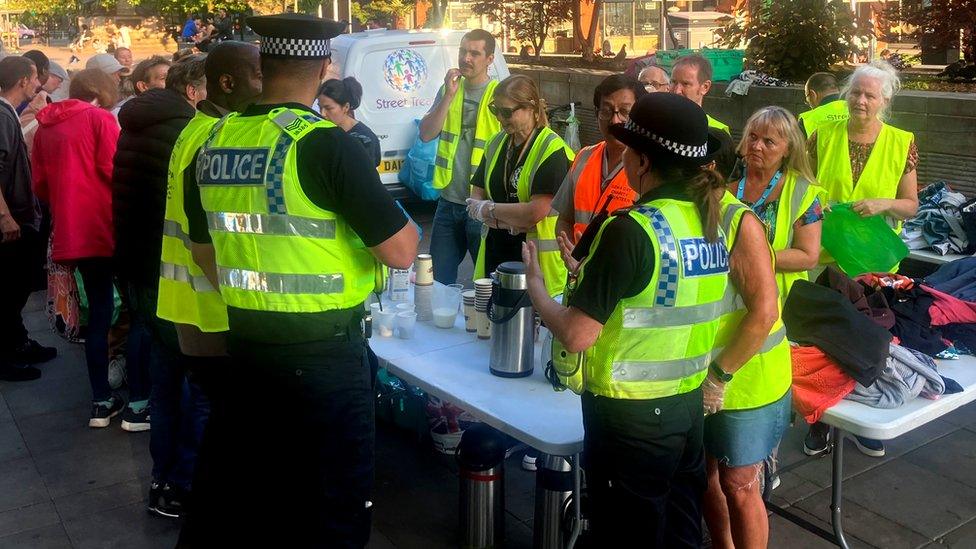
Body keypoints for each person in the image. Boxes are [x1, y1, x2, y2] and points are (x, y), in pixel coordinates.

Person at [178, 15, 418, 546]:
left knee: (260, 500)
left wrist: (255, 294)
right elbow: (401, 252)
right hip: (324, 361)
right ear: (323, 67)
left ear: (263, 67)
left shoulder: (213, 141)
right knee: (332, 509)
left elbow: (202, 251)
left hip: (244, 350)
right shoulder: (322, 144)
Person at [525, 92, 729, 547]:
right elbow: (664, 298)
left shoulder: (631, 229)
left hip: (630, 418)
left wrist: (538, 290)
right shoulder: (711, 223)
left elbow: (578, 335)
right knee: (678, 530)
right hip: (686, 408)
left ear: (640, 161)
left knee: (625, 536)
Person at [155, 41, 261, 520]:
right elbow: (210, 240)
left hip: (185, 298)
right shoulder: (213, 137)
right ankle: (182, 489)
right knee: (207, 405)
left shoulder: (195, 128)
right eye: (258, 76)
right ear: (227, 83)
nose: (265, 86)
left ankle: (175, 483)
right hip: (207, 303)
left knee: (191, 398)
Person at [702, 107, 813, 549]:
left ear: (788, 148)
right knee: (707, 472)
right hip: (719, 338)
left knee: (740, 479)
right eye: (752, 138)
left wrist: (751, 257)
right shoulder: (726, 192)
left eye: (769, 141)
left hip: (764, 334)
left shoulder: (802, 193)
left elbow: (808, 255)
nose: (757, 147)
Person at [805, 60, 919, 459]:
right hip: (825, 256)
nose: (861, 100)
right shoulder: (822, 135)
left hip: (874, 262)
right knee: (819, 341)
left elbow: (911, 205)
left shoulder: (902, 142)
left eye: (870, 94)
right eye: (855, 92)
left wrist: (884, 202)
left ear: (884, 100)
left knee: (871, 340)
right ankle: (819, 419)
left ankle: (866, 419)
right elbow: (800, 187)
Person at [31, 69, 121, 426]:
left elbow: (40, 184)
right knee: (118, 310)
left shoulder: (45, 127)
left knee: (94, 315)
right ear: (103, 90)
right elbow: (115, 171)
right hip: (102, 227)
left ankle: (100, 396)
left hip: (68, 232)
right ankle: (120, 395)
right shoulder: (100, 120)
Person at [466, 74, 573, 295]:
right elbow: (475, 196)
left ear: (531, 108)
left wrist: (490, 210)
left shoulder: (551, 149)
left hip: (536, 265)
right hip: (495, 257)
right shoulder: (496, 143)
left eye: (506, 112)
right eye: (495, 110)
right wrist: (506, 219)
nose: (499, 118)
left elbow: (535, 212)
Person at [419, 29, 501, 285]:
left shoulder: (499, 94)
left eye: (475, 53)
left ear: (489, 59)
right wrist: (449, 96)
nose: (466, 58)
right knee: (438, 283)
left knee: (487, 283)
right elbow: (426, 134)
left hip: (482, 204)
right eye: (463, 51)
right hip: (449, 202)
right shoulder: (449, 89)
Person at [0, 56, 52, 382]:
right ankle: (6, 355)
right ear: (22, 81)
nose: (38, 84)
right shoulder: (3, 115)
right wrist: (5, 217)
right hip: (12, 221)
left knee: (14, 288)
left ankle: (18, 342)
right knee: (9, 290)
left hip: (19, 216)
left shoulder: (8, 113)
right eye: (34, 78)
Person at [553, 74, 643, 244]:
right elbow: (564, 220)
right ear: (597, 114)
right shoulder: (583, 157)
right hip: (577, 267)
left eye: (624, 112)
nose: (615, 120)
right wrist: (571, 252)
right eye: (606, 111)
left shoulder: (649, 167)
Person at [317, 77, 380, 167]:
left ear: (346, 107)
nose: (322, 113)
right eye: (320, 107)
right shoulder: (322, 130)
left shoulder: (365, 139)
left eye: (328, 108)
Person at [670, 54, 730, 135]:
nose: (677, 91)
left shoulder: (718, 132)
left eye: (685, 84)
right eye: (673, 82)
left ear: (705, 87)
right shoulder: (657, 123)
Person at [799, 72, 848, 137]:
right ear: (838, 90)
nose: (808, 103)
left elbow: (797, 146)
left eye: (807, 97)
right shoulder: (856, 111)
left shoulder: (807, 121)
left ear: (813, 94)